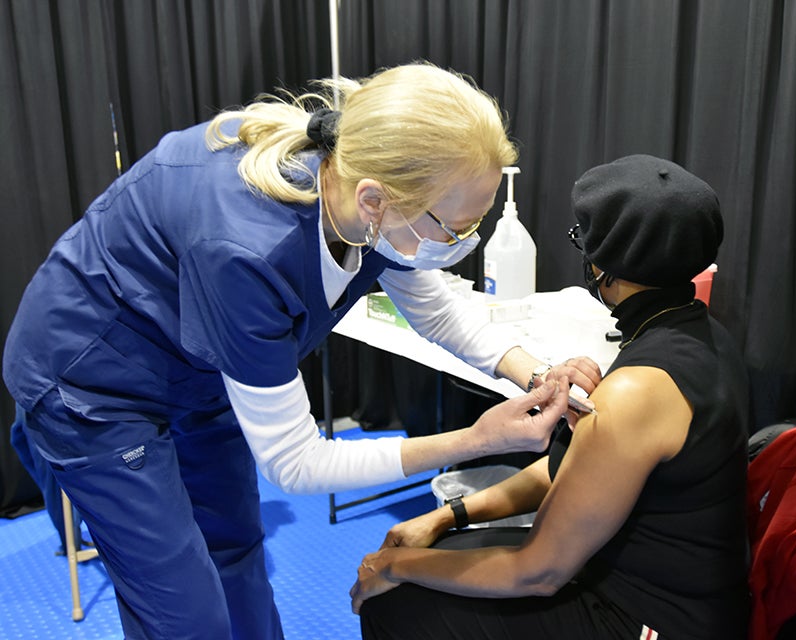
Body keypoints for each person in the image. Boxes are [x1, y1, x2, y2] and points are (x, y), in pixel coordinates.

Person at [2, 62, 601, 639]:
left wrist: (535, 371)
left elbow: (436, 308)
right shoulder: (246, 248)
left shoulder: (371, 195)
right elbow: (296, 464)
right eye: (454, 229)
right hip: (93, 378)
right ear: (375, 201)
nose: (461, 245)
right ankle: (46, 446)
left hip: (205, 364)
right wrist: (477, 441)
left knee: (237, 554)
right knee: (185, 616)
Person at [351, 155, 751, 640]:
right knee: (439, 558)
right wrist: (446, 515)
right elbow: (576, 471)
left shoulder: (638, 388)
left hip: (653, 619)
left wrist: (398, 567)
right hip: (659, 587)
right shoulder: (700, 334)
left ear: (604, 262)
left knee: (394, 602)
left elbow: (538, 573)